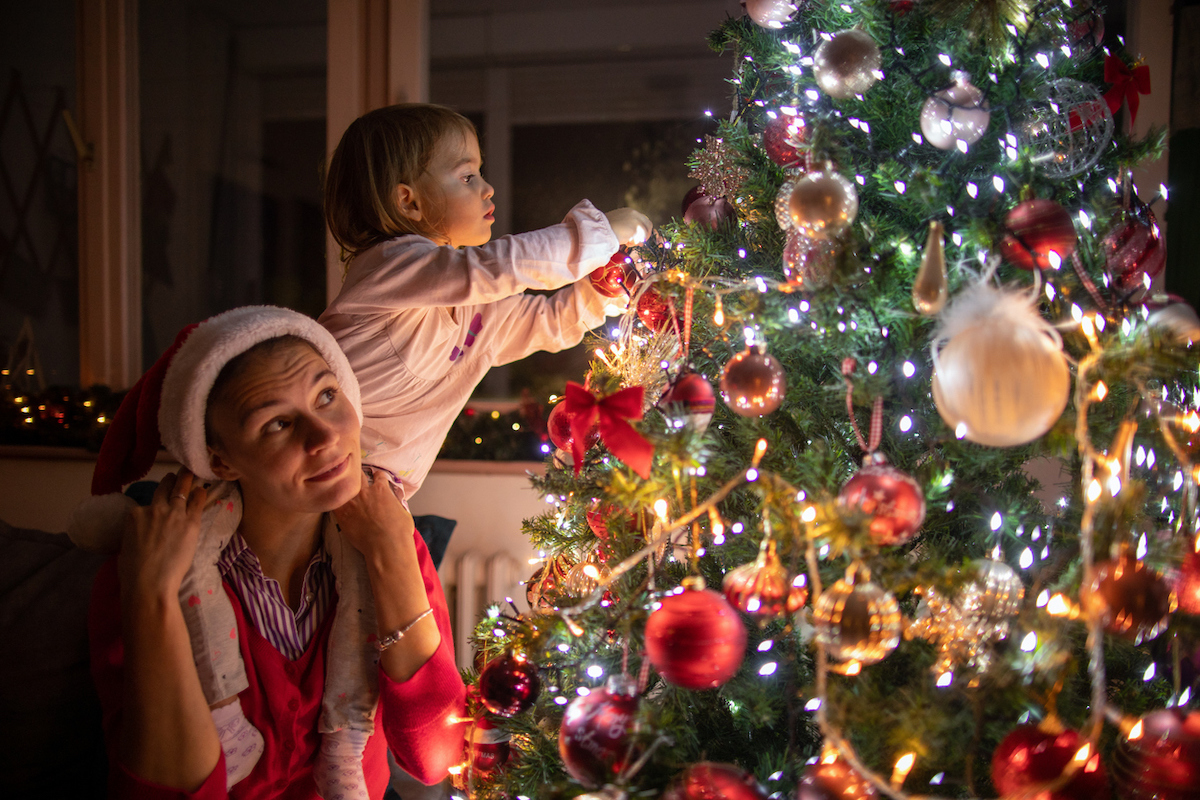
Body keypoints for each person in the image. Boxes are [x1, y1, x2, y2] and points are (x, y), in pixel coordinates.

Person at [84, 306, 465, 799]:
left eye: (327, 395)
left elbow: (437, 755)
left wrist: (391, 549)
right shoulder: (147, 570)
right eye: (278, 424)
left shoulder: (389, 537)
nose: (326, 435)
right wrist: (153, 594)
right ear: (221, 459)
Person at [320, 102, 651, 498]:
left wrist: (601, 288)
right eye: (467, 176)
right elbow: (495, 268)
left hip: (375, 496)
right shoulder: (388, 267)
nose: (486, 188)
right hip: (313, 472)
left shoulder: (473, 306)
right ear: (409, 202)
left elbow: (545, 322)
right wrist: (598, 234)